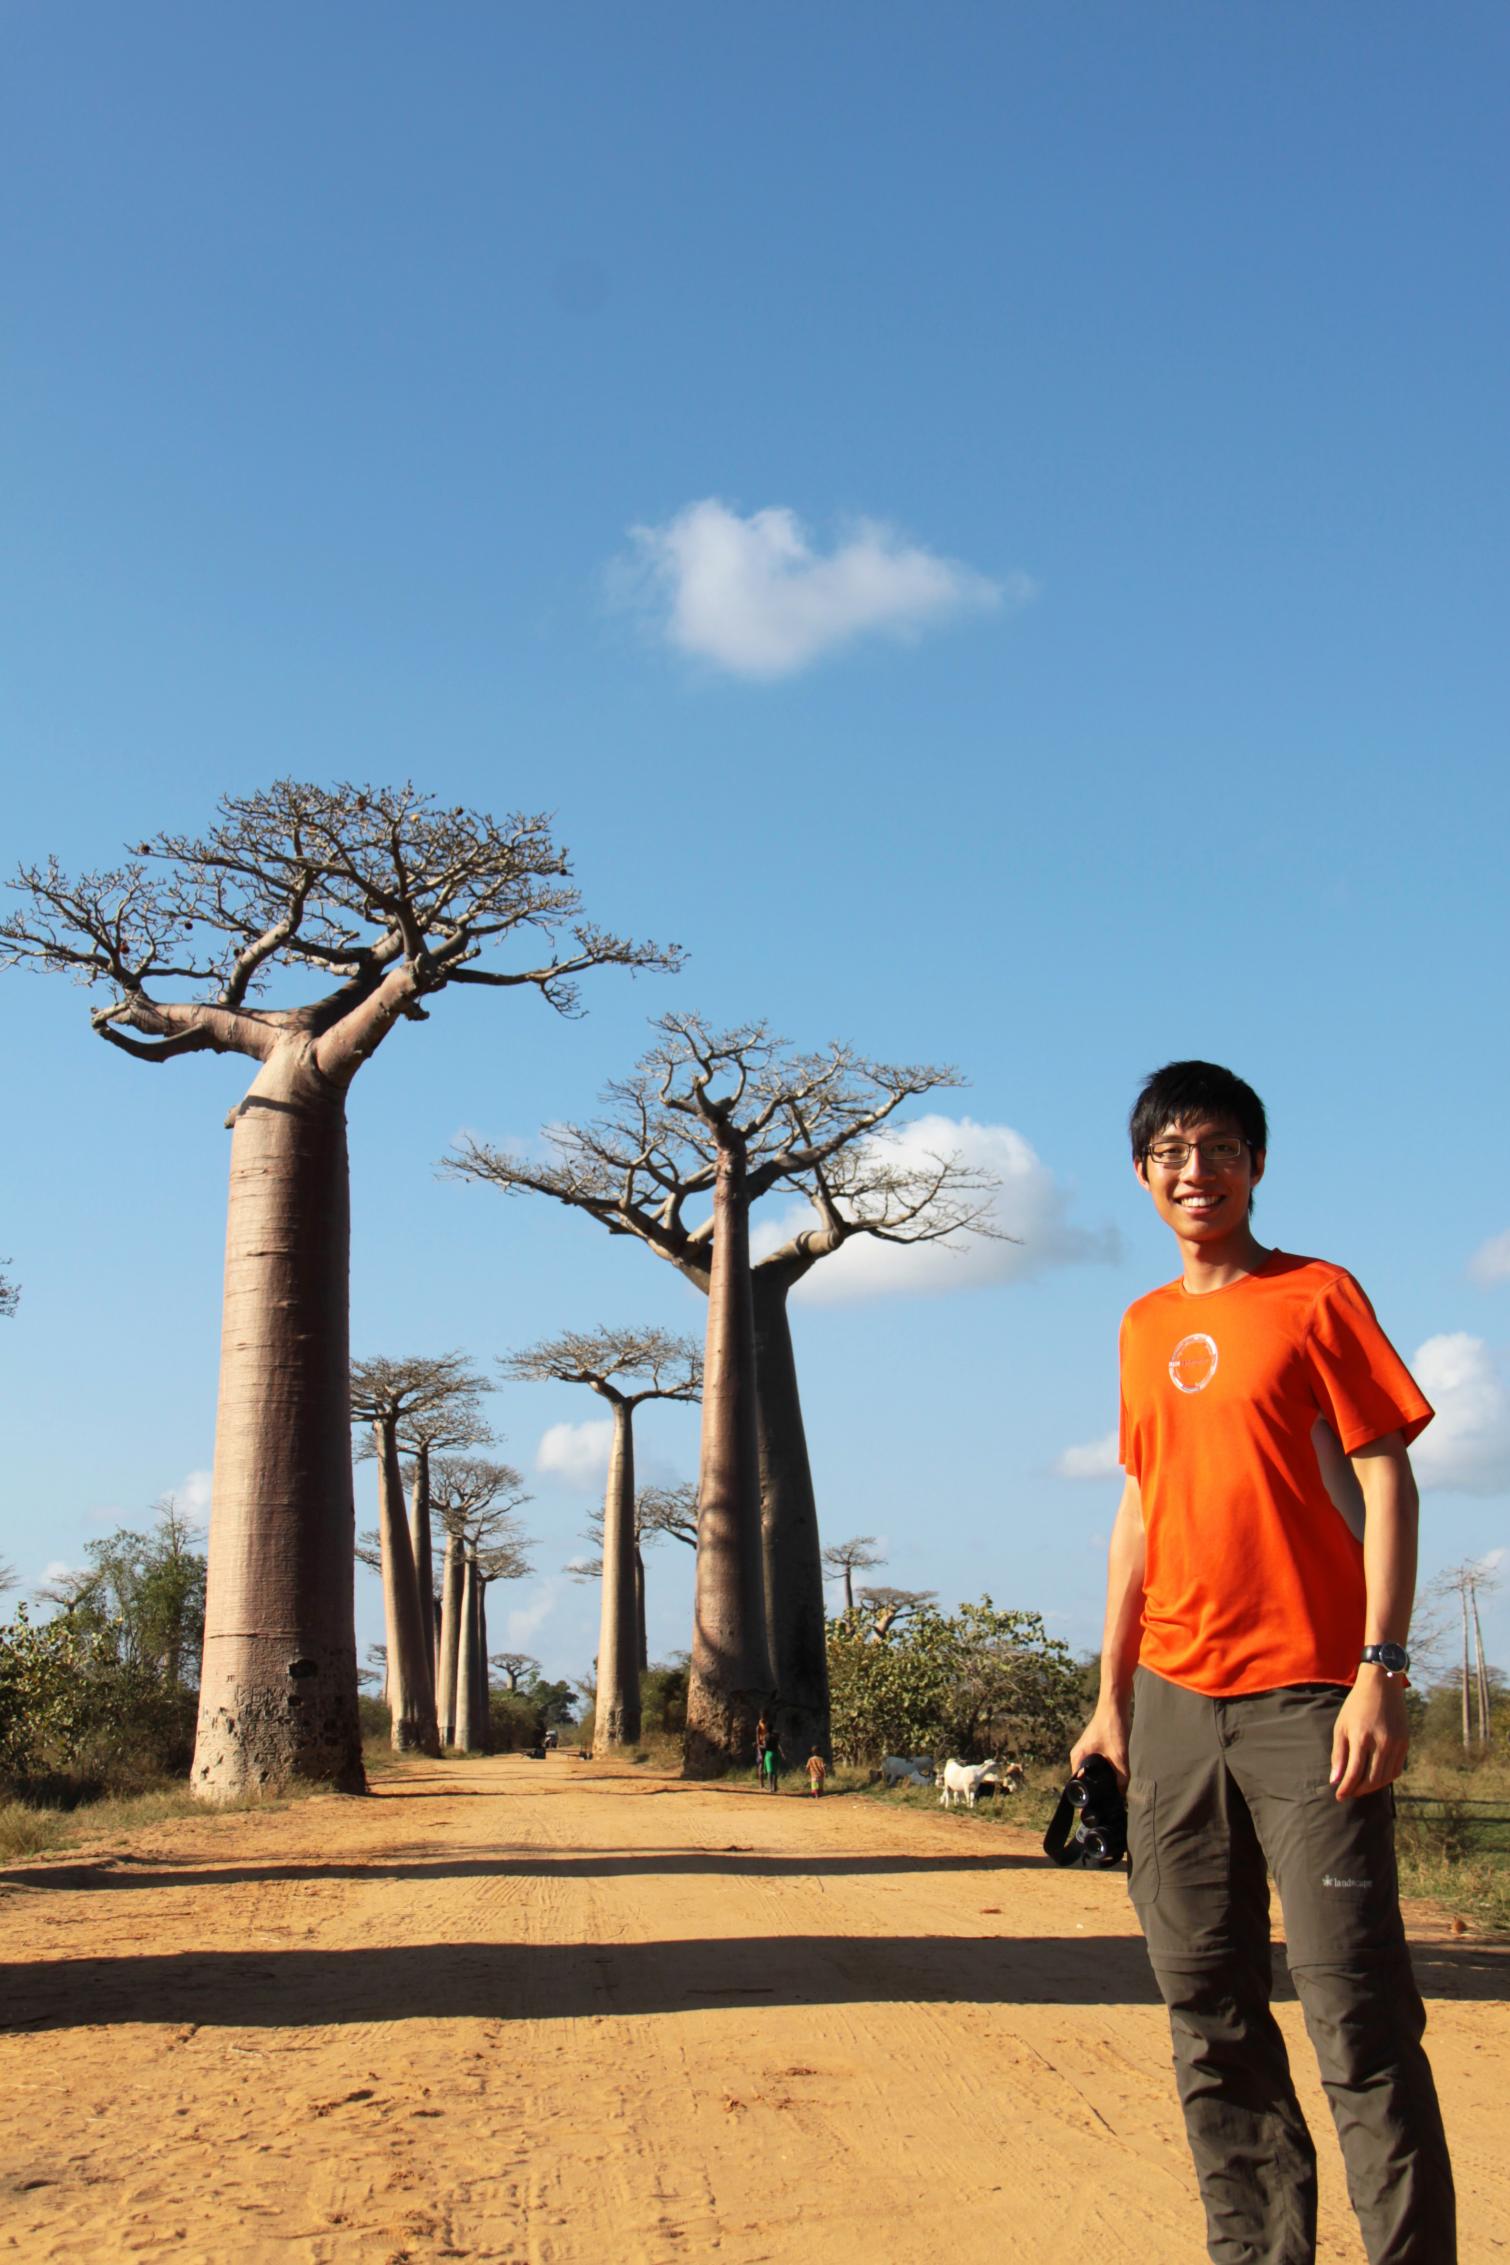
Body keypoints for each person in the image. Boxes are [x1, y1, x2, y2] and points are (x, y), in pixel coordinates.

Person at [1072, 1060, 1454, 2265]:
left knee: (1355, 2010)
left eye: (1221, 1148)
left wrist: (1379, 1670)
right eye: (1173, 1152)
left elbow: (1386, 1477)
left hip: (1309, 1697)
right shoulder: (1140, 1327)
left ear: (1256, 1165)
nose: (1198, 1172)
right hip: (1173, 1703)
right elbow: (1139, 1512)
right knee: (1207, 2011)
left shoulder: (1315, 1298)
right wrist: (1107, 1704)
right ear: (1142, 1175)